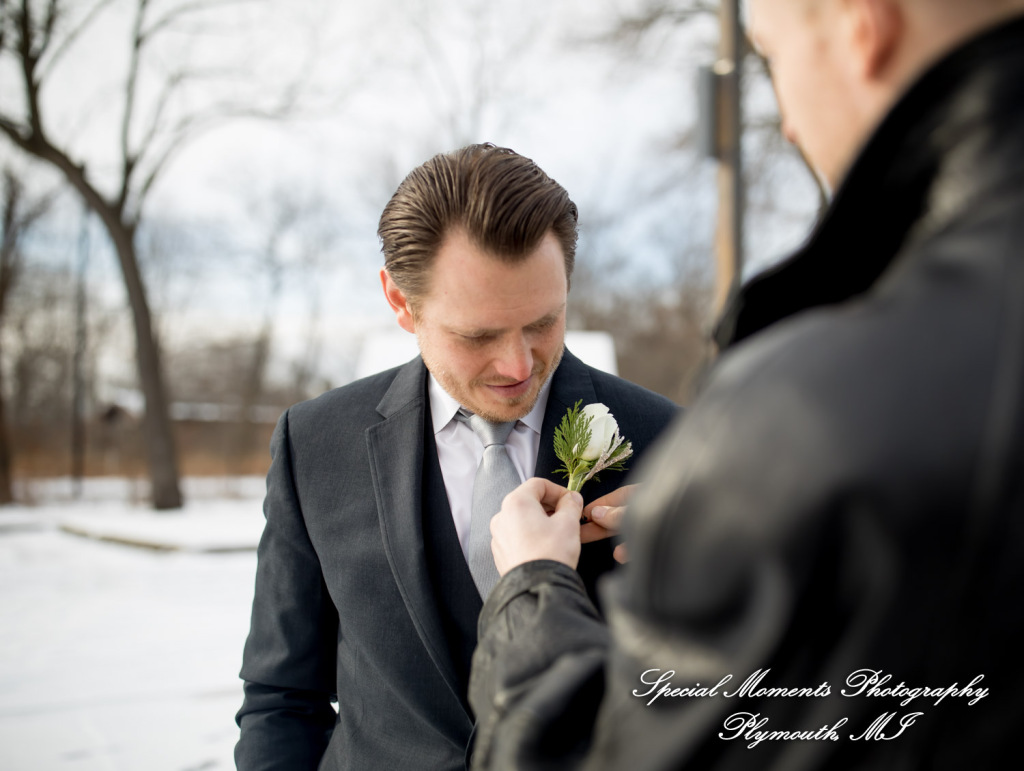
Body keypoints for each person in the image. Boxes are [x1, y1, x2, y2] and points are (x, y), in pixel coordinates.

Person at [468, 1, 1024, 769]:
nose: (788, 125)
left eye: (771, 57)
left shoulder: (814, 408)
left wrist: (532, 586)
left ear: (866, 26)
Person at [234, 143, 678, 771]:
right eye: (479, 335)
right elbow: (282, 695)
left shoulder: (671, 440)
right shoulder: (314, 444)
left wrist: (702, 583)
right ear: (399, 301)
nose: (519, 365)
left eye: (544, 323)